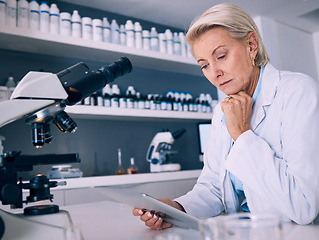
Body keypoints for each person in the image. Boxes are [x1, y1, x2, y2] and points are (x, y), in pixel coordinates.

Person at [133, 3, 319, 230]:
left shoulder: (296, 91)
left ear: (251, 45)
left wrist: (242, 134)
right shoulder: (221, 111)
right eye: (204, 65)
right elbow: (213, 187)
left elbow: (303, 207)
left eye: (221, 55)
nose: (214, 73)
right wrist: (177, 208)